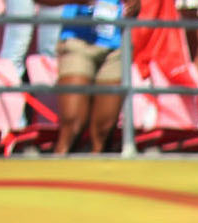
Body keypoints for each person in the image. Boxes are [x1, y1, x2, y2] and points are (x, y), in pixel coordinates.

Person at [41, 0, 134, 153]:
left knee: (104, 131)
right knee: (73, 125)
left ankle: (95, 174)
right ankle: (58, 172)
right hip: (78, 42)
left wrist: (135, 5)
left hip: (115, 45)